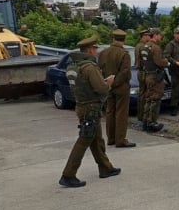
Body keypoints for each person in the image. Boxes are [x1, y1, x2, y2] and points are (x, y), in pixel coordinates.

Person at [59, 34, 121, 188]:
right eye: (95, 48)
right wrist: (109, 83)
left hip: (81, 106)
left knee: (96, 139)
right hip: (91, 108)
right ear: (89, 50)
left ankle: (105, 167)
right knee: (84, 140)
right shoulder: (90, 67)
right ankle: (68, 174)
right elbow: (101, 89)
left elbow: (83, 86)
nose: (96, 51)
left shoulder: (73, 67)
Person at [98, 29, 134, 147]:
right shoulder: (124, 54)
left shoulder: (103, 53)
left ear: (113, 39)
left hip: (107, 86)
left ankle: (111, 138)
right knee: (121, 113)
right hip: (121, 87)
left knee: (110, 111)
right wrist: (116, 82)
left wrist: (108, 83)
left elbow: (99, 70)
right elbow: (125, 73)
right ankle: (120, 140)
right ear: (124, 40)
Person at [141, 28, 169, 132]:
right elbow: (159, 62)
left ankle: (145, 121)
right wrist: (166, 62)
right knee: (156, 99)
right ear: (156, 35)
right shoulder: (155, 48)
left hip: (148, 75)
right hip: (155, 76)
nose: (161, 37)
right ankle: (152, 123)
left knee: (149, 98)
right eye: (160, 35)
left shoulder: (145, 46)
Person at [134, 29, 152, 124]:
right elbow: (145, 60)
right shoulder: (142, 46)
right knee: (144, 94)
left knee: (142, 93)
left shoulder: (138, 45)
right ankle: (142, 115)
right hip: (143, 72)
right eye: (148, 35)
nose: (149, 37)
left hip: (141, 72)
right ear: (144, 36)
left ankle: (141, 115)